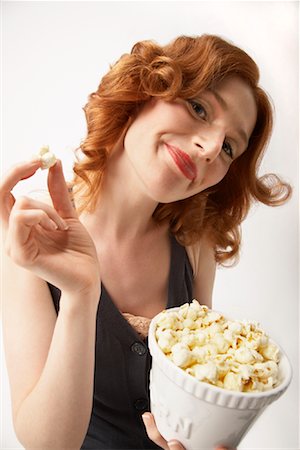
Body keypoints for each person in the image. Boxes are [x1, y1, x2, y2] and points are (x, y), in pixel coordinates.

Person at [1, 34, 291, 450]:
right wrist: (81, 294)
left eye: (229, 147)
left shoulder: (196, 244)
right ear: (146, 90)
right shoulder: (34, 232)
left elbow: (193, 398)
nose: (210, 148)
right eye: (198, 107)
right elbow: (46, 443)